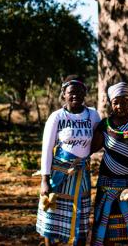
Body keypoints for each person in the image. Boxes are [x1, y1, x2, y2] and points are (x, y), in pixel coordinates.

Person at [36, 75, 102, 246]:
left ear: (85, 93)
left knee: (80, 216)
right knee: (53, 216)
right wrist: (44, 179)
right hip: (60, 174)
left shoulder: (93, 115)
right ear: (63, 94)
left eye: (80, 92)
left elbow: (99, 139)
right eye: (71, 92)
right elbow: (47, 149)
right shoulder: (57, 117)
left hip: (82, 175)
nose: (75, 96)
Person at [90, 82, 128, 246]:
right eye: (115, 102)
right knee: (107, 230)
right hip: (107, 185)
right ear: (110, 103)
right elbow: (92, 148)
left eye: (123, 101)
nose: (119, 106)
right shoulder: (105, 124)